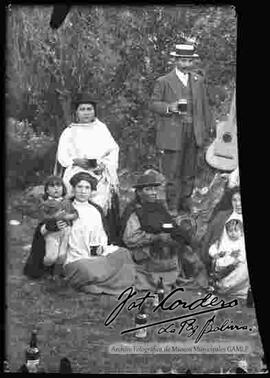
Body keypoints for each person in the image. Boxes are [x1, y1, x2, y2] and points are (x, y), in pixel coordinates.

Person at [149, 43, 214, 215]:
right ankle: (172, 205)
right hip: (172, 132)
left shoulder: (198, 80)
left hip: (194, 131)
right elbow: (154, 104)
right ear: (175, 60)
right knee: (172, 172)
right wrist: (170, 107)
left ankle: (187, 203)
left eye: (189, 60)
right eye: (182, 60)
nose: (186, 63)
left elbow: (204, 107)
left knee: (189, 171)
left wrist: (208, 129)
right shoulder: (163, 81)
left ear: (192, 61)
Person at [55, 92, 120, 243]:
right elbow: (63, 157)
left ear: (94, 111)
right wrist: (77, 161)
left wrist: (104, 165)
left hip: (99, 172)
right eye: (82, 109)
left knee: (101, 193)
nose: (86, 112)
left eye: (89, 109)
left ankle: (100, 238)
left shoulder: (102, 129)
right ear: (76, 113)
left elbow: (113, 150)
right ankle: (74, 238)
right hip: (76, 170)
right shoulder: (69, 132)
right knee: (79, 189)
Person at [120, 171, 199, 292]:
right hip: (144, 251)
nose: (153, 193)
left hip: (165, 246)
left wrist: (180, 234)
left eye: (154, 189)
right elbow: (130, 239)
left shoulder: (159, 207)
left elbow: (169, 224)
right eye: (148, 189)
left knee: (186, 250)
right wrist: (155, 237)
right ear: (139, 192)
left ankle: (184, 275)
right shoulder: (135, 211)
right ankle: (160, 279)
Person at [61, 172, 136, 295]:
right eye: (79, 187)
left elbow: (101, 234)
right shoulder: (66, 208)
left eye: (87, 188)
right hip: (75, 256)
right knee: (85, 269)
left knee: (124, 254)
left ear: (91, 191)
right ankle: (102, 284)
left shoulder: (96, 210)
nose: (83, 191)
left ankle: (96, 284)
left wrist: (100, 247)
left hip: (95, 252)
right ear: (73, 189)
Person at [200, 186, 250, 298]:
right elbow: (209, 241)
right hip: (223, 264)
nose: (238, 203)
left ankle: (223, 287)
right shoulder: (222, 216)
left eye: (240, 200)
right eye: (235, 200)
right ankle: (221, 286)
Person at [39, 176, 78, 273]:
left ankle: (56, 273)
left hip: (66, 230)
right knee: (51, 257)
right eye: (52, 186)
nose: (56, 188)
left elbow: (75, 213)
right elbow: (43, 218)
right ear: (47, 190)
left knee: (62, 254)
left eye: (58, 186)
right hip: (53, 232)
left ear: (63, 188)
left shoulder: (67, 202)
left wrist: (68, 216)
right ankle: (45, 267)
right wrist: (54, 217)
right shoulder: (46, 204)